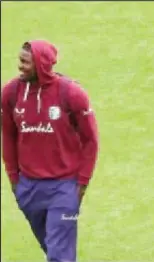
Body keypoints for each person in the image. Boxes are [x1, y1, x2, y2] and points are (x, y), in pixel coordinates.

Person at [1, 40, 99, 261]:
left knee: (58, 254)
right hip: (28, 188)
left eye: (26, 62)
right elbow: (7, 135)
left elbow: (91, 139)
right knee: (52, 248)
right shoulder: (10, 92)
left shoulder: (72, 94)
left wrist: (82, 182)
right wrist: (14, 179)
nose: (20, 66)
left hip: (64, 188)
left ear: (41, 64)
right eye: (20, 60)